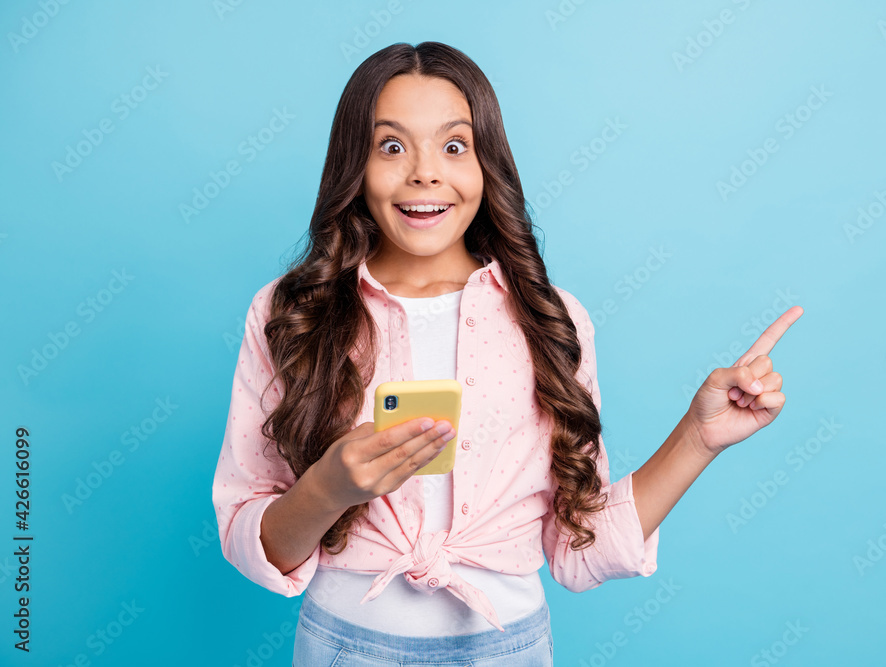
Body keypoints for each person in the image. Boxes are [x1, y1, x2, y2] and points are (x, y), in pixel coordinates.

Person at [212, 41, 803, 666]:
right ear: (352, 167)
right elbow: (253, 536)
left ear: (487, 162)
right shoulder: (290, 314)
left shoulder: (551, 319)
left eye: (453, 145)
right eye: (391, 146)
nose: (424, 172)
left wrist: (698, 437)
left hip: (508, 649)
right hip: (344, 647)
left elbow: (581, 549)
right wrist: (328, 488)